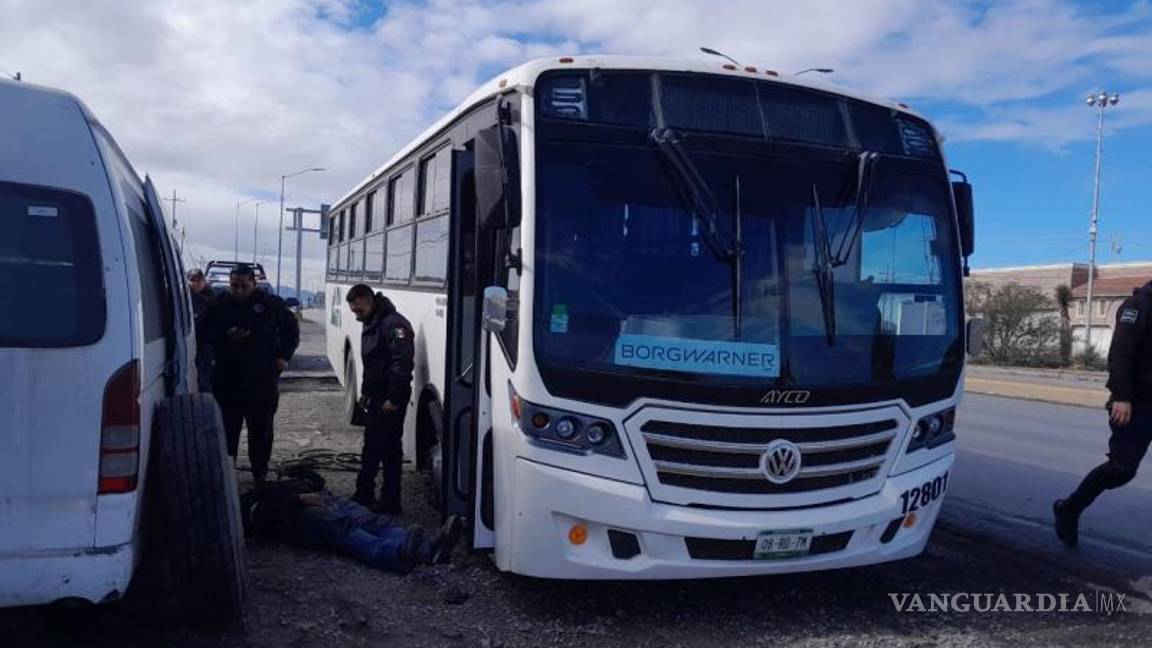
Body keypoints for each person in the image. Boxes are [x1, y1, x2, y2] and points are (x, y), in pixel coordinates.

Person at [1054, 280, 1152, 547]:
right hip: (1138, 403)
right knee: (1122, 469)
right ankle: (1069, 508)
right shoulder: (1138, 306)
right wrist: (1122, 396)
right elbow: (1121, 353)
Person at [199, 264, 300, 484]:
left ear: (253, 284)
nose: (239, 291)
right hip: (228, 380)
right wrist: (226, 335)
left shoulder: (270, 304)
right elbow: (202, 331)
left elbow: (291, 329)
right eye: (234, 286)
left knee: (261, 431)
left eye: (244, 286)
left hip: (261, 379)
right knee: (226, 431)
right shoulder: (220, 304)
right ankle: (226, 474)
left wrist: (284, 357)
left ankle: (260, 475)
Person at [241, 476, 464, 572]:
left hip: (315, 497)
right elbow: (261, 516)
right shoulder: (244, 503)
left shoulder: (262, 487)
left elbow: (317, 481)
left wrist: (303, 477)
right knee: (344, 528)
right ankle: (396, 555)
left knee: (368, 519)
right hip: (296, 516)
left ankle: (428, 549)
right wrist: (299, 499)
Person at [346, 284, 414, 514]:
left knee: (389, 450)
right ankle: (365, 494)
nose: (356, 314)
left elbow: (401, 363)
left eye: (358, 309)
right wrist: (365, 392)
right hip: (377, 396)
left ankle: (389, 501)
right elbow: (373, 364)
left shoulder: (394, 325)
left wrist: (393, 398)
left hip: (390, 398)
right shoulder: (372, 322)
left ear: (369, 300)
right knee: (372, 447)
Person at [187, 268, 216, 393]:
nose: (196, 283)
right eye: (192, 280)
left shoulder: (210, 298)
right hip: (188, 343)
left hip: (205, 345)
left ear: (204, 281)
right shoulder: (183, 297)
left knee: (204, 379)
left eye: (199, 280)